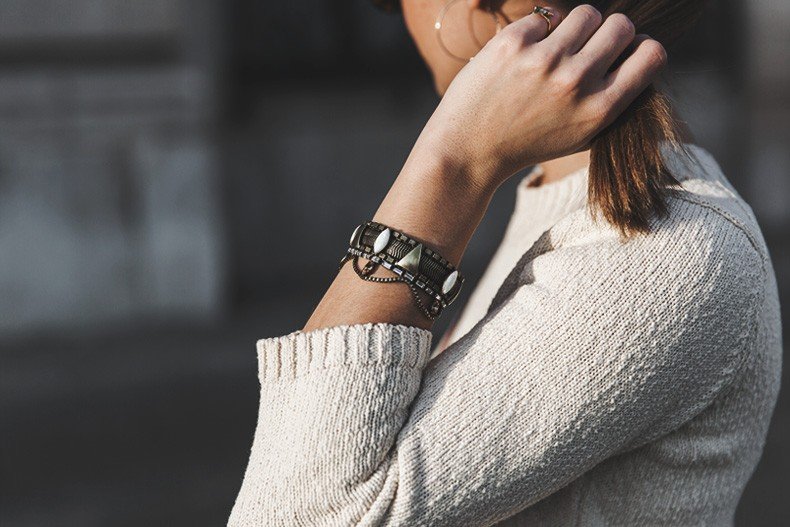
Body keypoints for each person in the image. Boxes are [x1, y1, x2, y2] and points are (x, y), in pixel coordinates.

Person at [228, 2, 782, 526]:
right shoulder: (568, 196)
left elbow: (297, 511)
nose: (399, 19)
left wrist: (454, 157)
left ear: (477, 7)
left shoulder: (667, 252)